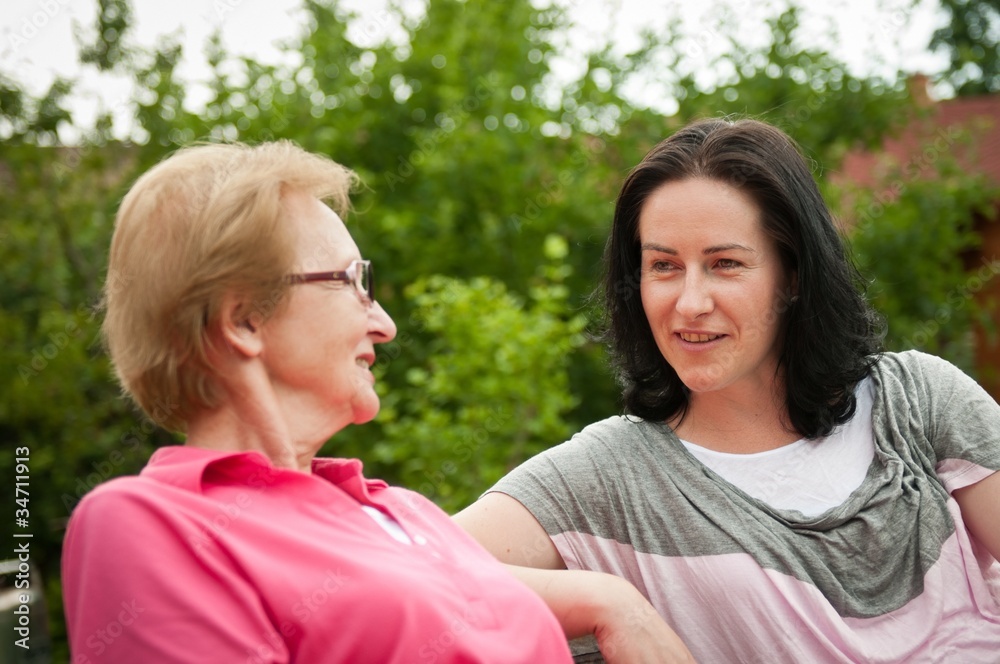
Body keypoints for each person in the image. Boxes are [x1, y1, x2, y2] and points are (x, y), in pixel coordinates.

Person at [454, 118, 1000, 662]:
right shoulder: (609, 476)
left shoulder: (919, 401)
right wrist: (611, 604)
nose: (690, 303)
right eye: (663, 266)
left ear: (792, 275)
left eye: (725, 264)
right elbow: (407, 569)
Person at [61, 141, 581, 663]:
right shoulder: (152, 522)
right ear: (242, 320)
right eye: (355, 281)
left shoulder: (405, 510)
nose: (385, 325)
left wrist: (612, 601)